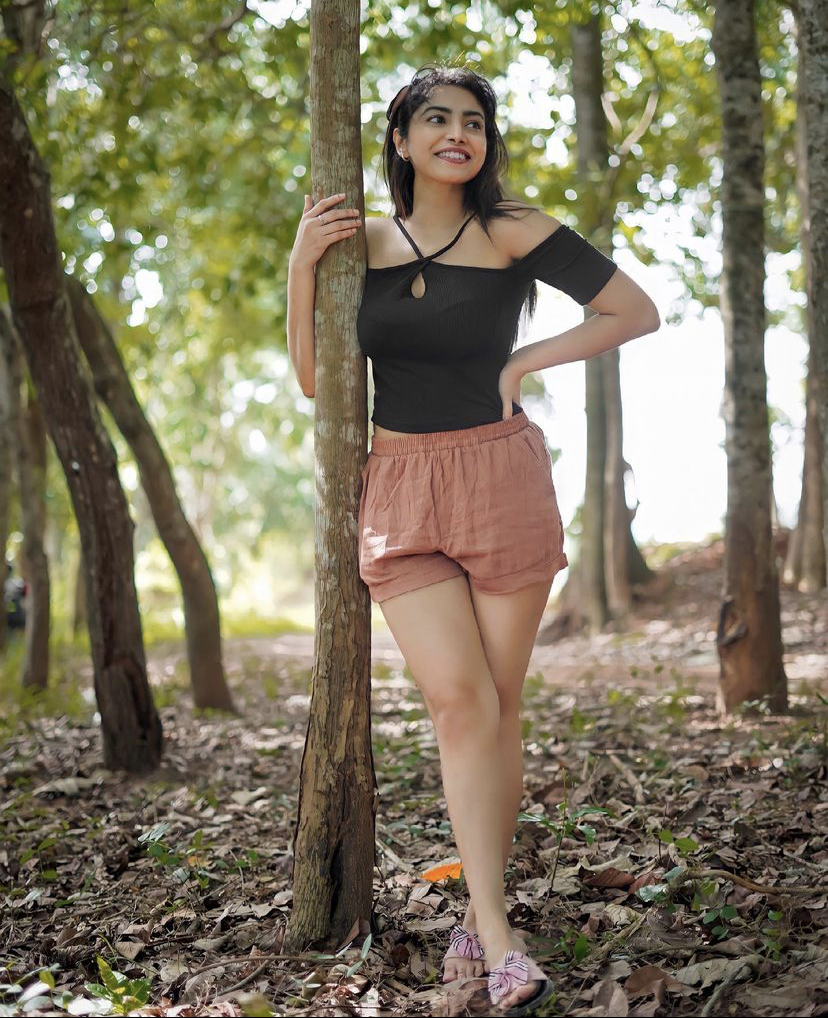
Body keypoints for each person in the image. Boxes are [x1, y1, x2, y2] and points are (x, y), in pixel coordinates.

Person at [288, 63, 660, 1017]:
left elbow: (634, 310)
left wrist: (525, 360)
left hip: (500, 477)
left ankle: (478, 920)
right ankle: (499, 936)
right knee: (460, 705)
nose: (458, 134)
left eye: (474, 122)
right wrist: (301, 268)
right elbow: (318, 383)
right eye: (437, 119)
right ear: (401, 139)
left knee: (497, 707)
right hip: (400, 490)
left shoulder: (512, 229)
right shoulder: (361, 243)